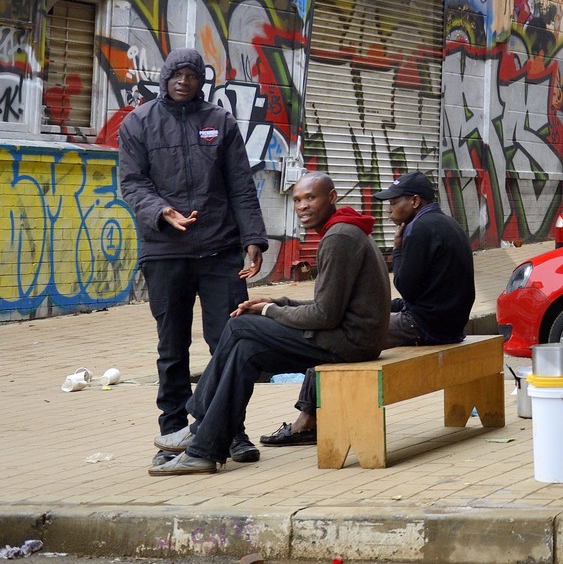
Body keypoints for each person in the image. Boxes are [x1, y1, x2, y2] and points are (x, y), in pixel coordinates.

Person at [147, 172, 390, 475]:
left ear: (331, 197)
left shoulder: (339, 237)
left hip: (351, 344)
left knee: (239, 327)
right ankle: (205, 449)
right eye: (298, 199)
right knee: (245, 348)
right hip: (350, 337)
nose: (302, 206)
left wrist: (267, 312)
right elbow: (330, 306)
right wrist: (278, 304)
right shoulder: (343, 230)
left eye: (310, 198)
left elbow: (325, 315)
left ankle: (199, 425)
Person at [118, 46, 269, 465]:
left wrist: (252, 239)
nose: (185, 81)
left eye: (193, 75)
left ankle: (231, 429)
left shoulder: (218, 122)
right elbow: (131, 183)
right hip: (166, 253)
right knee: (173, 348)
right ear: (165, 76)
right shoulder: (139, 124)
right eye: (178, 74)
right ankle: (172, 433)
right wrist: (161, 212)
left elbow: (241, 185)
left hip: (221, 251)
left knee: (231, 343)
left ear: (203, 80)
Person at [260, 171, 474, 447]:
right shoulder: (445, 222)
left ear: (415, 201)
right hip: (448, 321)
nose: (389, 208)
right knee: (343, 327)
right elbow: (424, 290)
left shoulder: (418, 229)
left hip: (426, 325)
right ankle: (311, 416)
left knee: (333, 339)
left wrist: (397, 250)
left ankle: (306, 422)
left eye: (394, 202)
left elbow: (406, 286)